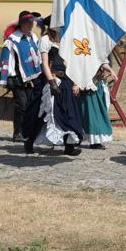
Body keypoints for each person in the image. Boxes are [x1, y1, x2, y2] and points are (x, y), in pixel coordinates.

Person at [23, 16, 84, 155]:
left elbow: (69, 64)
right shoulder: (45, 40)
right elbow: (44, 63)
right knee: (44, 112)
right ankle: (29, 141)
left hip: (65, 80)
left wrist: (74, 82)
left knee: (67, 112)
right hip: (50, 80)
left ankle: (69, 147)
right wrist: (51, 82)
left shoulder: (65, 41)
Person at [0, 10, 42, 142]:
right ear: (21, 24)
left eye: (31, 22)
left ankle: (29, 132)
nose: (30, 25)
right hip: (18, 78)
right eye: (27, 23)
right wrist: (9, 78)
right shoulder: (12, 40)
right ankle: (18, 132)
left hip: (33, 78)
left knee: (32, 106)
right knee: (21, 106)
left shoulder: (33, 37)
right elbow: (8, 59)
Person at [77, 61, 117, 149]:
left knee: (95, 112)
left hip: (95, 82)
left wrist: (111, 70)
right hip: (81, 81)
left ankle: (95, 141)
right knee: (83, 111)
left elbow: (101, 60)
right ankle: (76, 138)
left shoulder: (96, 48)